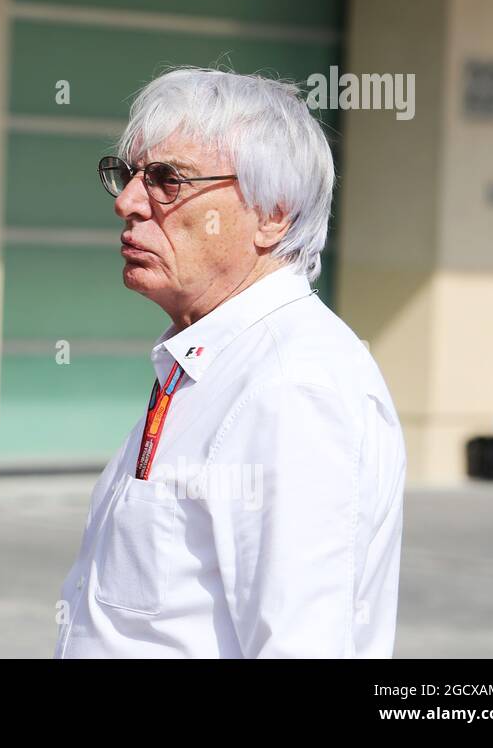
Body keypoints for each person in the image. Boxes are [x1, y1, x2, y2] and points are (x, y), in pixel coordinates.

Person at [55, 68, 406, 658]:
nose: (127, 202)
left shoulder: (293, 386)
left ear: (273, 214)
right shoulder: (210, 357)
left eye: (167, 181)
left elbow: (303, 645)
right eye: (129, 175)